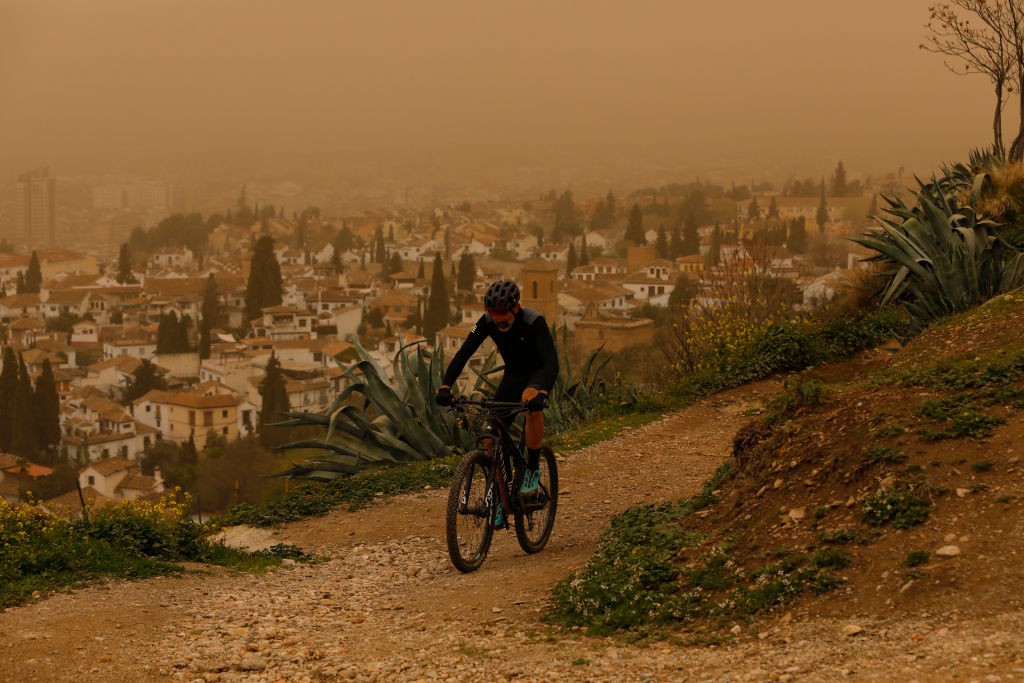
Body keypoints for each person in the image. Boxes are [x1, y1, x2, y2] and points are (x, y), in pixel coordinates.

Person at [435, 280, 558, 524]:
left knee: (529, 401)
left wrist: (543, 393)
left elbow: (552, 362)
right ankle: (500, 500)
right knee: (490, 436)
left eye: (503, 313)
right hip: (512, 376)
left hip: (537, 373)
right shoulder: (487, 321)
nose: (499, 318)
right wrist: (446, 386)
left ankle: (532, 469)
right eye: (494, 313)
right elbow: (464, 353)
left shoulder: (534, 321)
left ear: (516, 308)